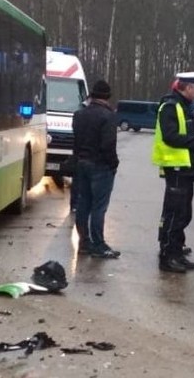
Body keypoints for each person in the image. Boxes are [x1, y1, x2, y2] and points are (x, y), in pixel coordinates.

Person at [152, 71, 194, 273]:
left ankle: (177, 252)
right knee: (173, 213)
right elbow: (171, 136)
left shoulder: (186, 107)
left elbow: (190, 129)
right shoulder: (170, 106)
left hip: (187, 169)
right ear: (187, 88)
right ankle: (167, 255)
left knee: (184, 213)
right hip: (176, 168)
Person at [71, 79, 120, 258]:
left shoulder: (79, 115)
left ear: (91, 95)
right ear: (107, 97)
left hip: (82, 164)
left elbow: (76, 142)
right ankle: (99, 244)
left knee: (83, 203)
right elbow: (108, 145)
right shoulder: (108, 116)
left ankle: (84, 242)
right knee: (99, 207)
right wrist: (113, 164)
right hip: (100, 166)